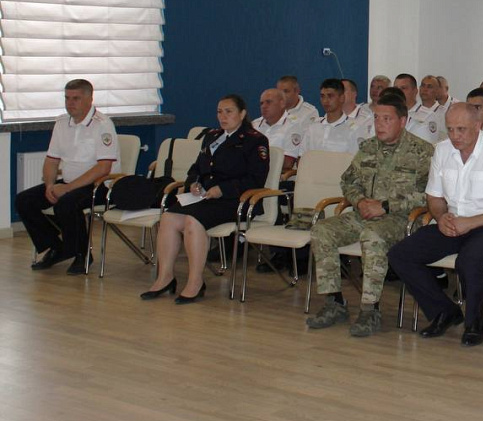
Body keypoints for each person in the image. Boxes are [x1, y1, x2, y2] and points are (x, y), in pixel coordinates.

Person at [388, 104, 483, 346]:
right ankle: (445, 311)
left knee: (469, 261)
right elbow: (434, 196)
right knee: (400, 255)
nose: (455, 136)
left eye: (461, 129)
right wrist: (441, 217)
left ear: (477, 126)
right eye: (450, 129)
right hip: (452, 223)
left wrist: (470, 222)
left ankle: (475, 322)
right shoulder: (442, 150)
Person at [304, 94, 434, 336]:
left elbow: (431, 196)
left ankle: (370, 310)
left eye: (387, 119)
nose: (380, 124)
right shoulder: (368, 148)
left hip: (401, 219)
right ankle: (334, 302)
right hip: (363, 214)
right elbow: (348, 181)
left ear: (402, 121)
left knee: (372, 236)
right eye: (376, 118)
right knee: (322, 230)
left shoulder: (422, 152)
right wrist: (360, 201)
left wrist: (386, 206)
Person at [140, 94, 270, 303]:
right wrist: (193, 183)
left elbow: (256, 179)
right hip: (206, 197)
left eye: (228, 111)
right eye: (219, 112)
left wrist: (223, 189)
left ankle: (195, 282)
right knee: (168, 218)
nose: (223, 116)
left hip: (236, 200)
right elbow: (197, 168)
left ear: (242, 113)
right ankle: (165, 277)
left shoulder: (255, 140)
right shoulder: (212, 136)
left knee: (193, 221)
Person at [17, 79, 119, 274]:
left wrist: (67, 188)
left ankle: (82, 255)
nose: (70, 103)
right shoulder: (62, 123)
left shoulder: (103, 125)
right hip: (68, 183)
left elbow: (103, 168)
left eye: (76, 98)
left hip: (99, 186)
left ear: (89, 99)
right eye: (67, 98)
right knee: (24, 200)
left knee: (66, 203)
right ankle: (57, 247)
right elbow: (51, 160)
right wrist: (50, 185)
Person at [284, 78, 370, 170]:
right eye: (322, 96)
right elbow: (301, 160)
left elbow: (357, 164)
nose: (325, 101)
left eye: (330, 96)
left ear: (342, 98)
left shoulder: (354, 129)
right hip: (312, 176)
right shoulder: (313, 127)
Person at [396, 73, 441, 145]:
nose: (398, 92)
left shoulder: (428, 116)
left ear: (415, 91)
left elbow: (427, 147)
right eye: (395, 89)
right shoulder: (390, 114)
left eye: (403, 88)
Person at [251, 88, 298, 153]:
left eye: (268, 102)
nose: (264, 106)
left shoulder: (294, 125)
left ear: (282, 104)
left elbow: (289, 158)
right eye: (261, 103)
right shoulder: (253, 125)